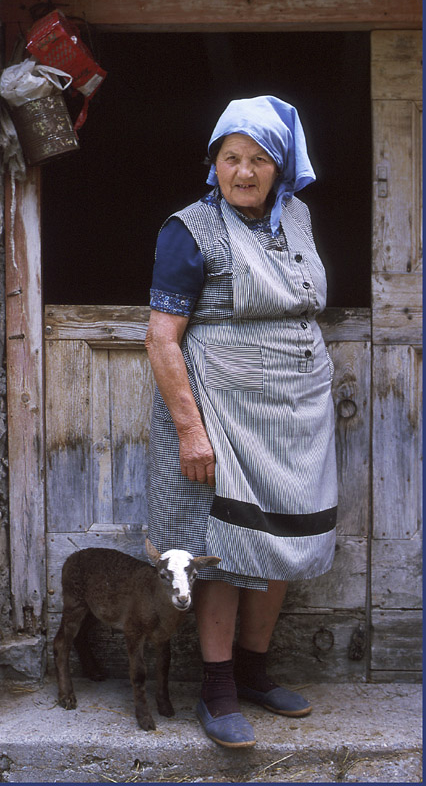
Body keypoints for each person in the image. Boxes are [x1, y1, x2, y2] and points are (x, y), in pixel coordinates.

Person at [145, 95, 337, 748]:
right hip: (221, 411)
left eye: (259, 159)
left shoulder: (299, 220)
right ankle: (218, 688)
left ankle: (254, 672)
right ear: (214, 164)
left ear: (281, 168)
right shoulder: (190, 230)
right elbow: (161, 338)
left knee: (279, 538)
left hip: (293, 412)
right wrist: (190, 431)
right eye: (231, 158)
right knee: (224, 550)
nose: (245, 171)